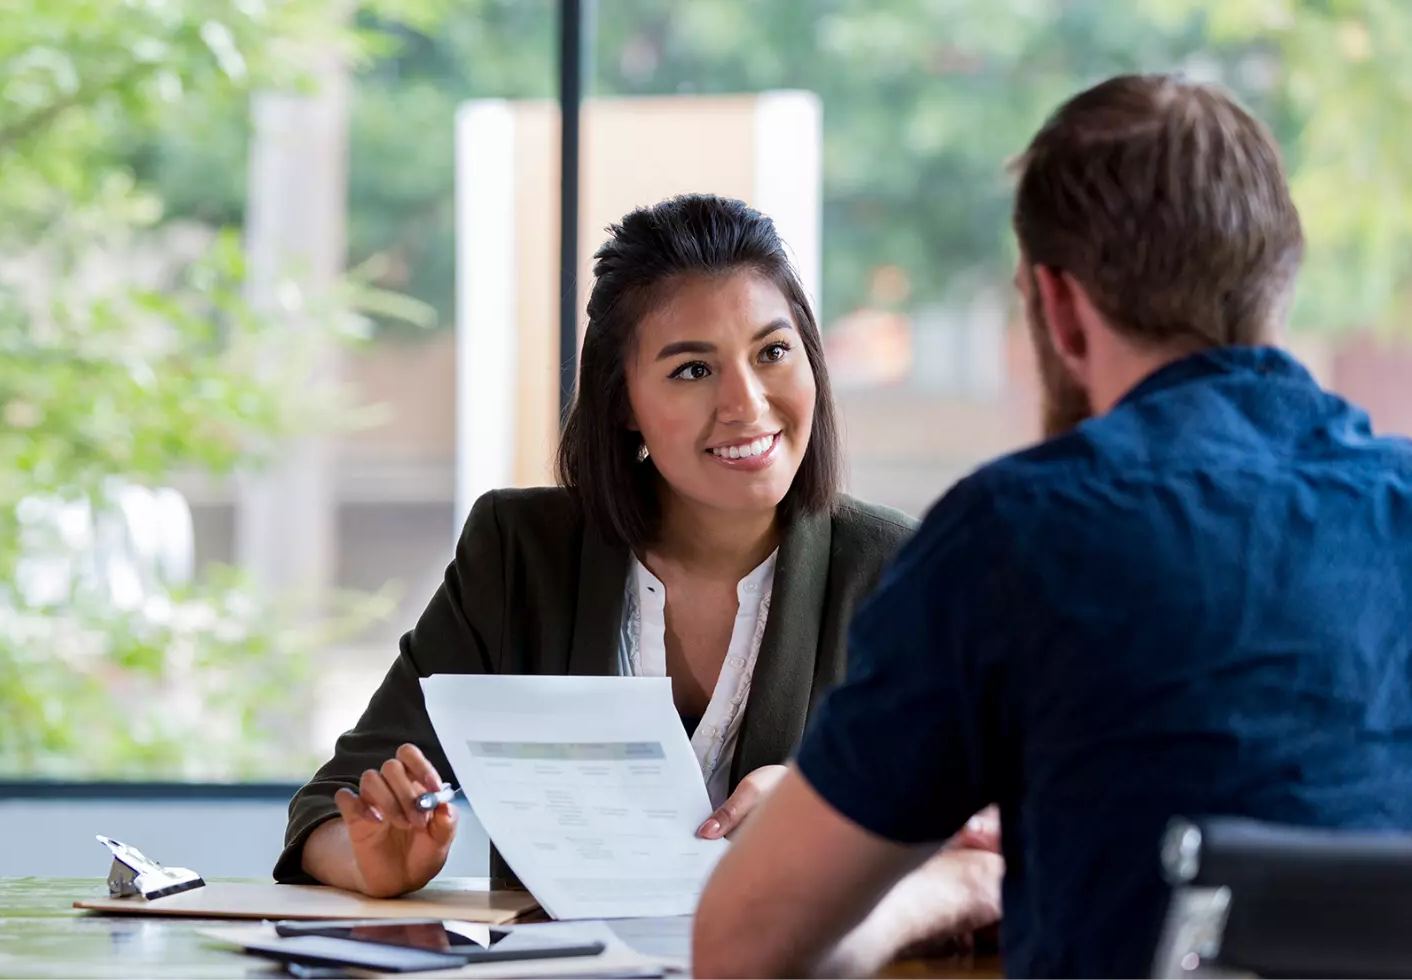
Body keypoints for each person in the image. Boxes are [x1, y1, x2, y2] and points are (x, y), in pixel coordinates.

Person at [693, 74, 1412, 980]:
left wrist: (948, 889)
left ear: (1059, 307)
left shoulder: (1017, 536)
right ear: (1280, 276)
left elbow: (740, 948)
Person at [274, 194, 1001, 950]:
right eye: (692, 369)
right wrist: (369, 861)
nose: (746, 404)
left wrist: (834, 812)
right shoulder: (520, 552)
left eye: (773, 353)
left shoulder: (902, 573)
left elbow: (992, 831)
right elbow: (331, 806)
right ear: (624, 402)